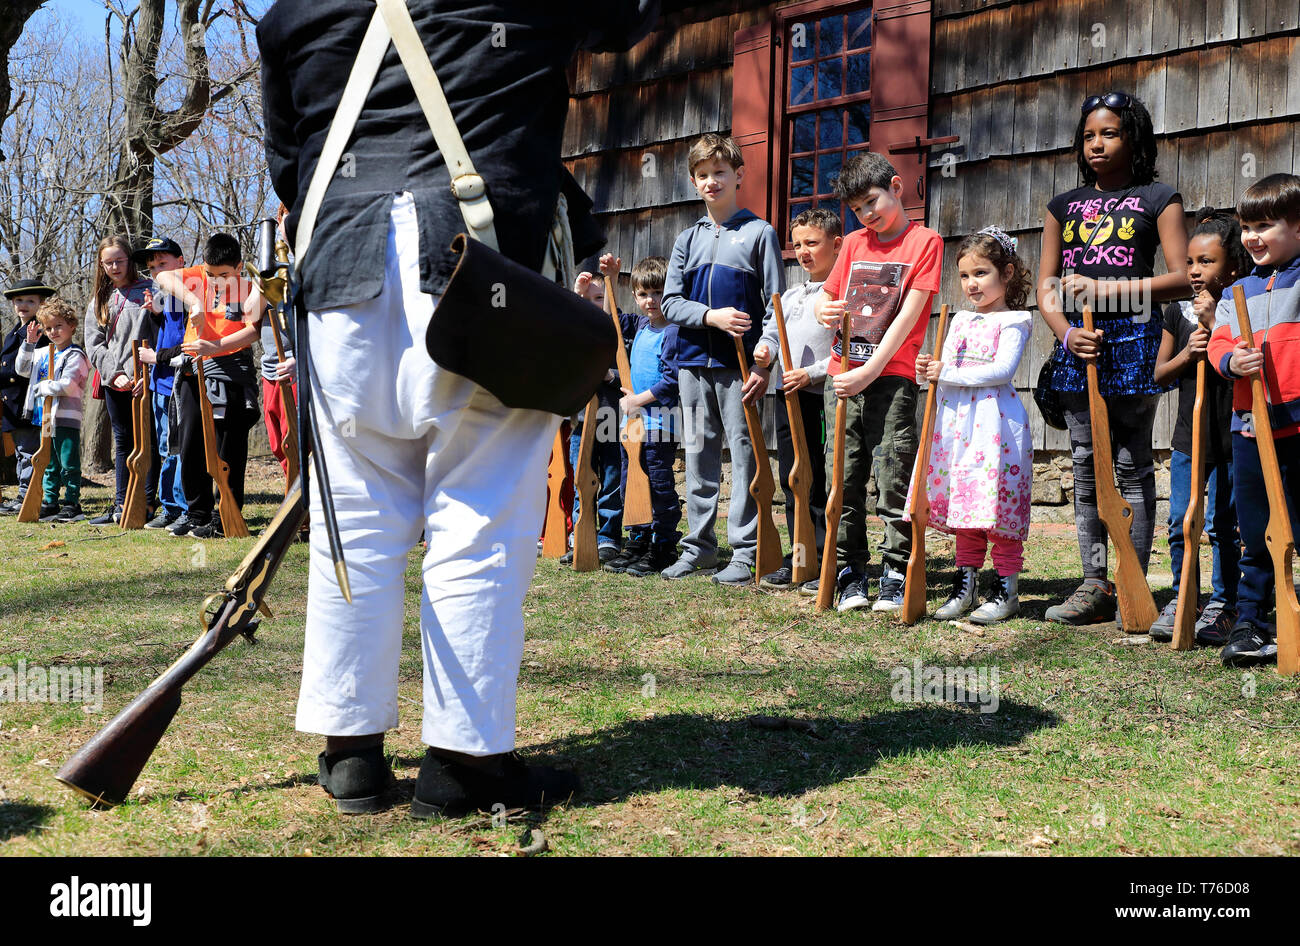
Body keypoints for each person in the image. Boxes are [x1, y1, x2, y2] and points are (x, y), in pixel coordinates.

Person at [258, 0, 657, 816]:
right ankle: (465, 764)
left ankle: (352, 753)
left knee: (356, 527)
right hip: (481, 276)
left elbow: (288, 166)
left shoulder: (291, 13)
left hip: (339, 277)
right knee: (478, 520)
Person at [1036, 92, 1189, 625]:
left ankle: (1133, 580)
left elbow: (1180, 279)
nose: (1097, 145)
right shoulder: (1064, 205)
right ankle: (1093, 583)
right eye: (1088, 136)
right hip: (1079, 345)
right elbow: (1047, 286)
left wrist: (1108, 296)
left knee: (1131, 464)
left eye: (1110, 134)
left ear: (1134, 139)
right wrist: (1064, 331)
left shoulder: (1159, 198)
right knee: (1084, 463)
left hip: (1134, 343)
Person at [811, 152, 944, 611]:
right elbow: (828, 296)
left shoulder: (925, 242)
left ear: (896, 187)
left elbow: (909, 317)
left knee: (892, 474)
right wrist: (821, 310)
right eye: (858, 209)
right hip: (841, 377)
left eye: (873, 202)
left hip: (891, 378)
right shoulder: (852, 244)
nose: (868, 215)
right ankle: (850, 571)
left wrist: (870, 371)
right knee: (842, 476)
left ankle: (895, 570)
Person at [660, 132, 785, 585]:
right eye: (702, 175)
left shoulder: (760, 233)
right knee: (697, 454)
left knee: (745, 457)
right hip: (693, 365)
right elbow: (670, 304)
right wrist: (711, 316)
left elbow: (776, 306)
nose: (711, 181)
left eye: (719, 173)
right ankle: (698, 549)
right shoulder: (686, 240)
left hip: (739, 370)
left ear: (738, 176)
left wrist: (763, 362)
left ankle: (746, 551)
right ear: (694, 182)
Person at [911, 227, 1033, 624]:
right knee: (967, 507)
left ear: (1007, 273)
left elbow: (1001, 370)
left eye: (981, 273)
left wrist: (947, 371)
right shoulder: (959, 319)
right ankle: (965, 585)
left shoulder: (1015, 320)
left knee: (994, 508)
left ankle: (1006, 590)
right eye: (964, 276)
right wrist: (928, 371)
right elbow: (943, 373)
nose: (971, 284)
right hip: (957, 426)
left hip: (994, 427)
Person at [1207, 173, 1300, 667]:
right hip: (1250, 427)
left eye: (1265, 225)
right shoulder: (1236, 291)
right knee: (1256, 526)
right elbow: (1221, 342)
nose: (1251, 237)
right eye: (1246, 227)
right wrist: (1232, 361)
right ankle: (1251, 621)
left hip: (1297, 427)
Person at [1148, 210, 1249, 644]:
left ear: (1231, 266)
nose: (1194, 271)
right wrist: (1190, 352)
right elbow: (1160, 376)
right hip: (1189, 436)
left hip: (1230, 436)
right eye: (1190, 262)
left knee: (1221, 523)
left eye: (1206, 262)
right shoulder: (1176, 312)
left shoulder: (1242, 302)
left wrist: (1214, 325)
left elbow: (1247, 361)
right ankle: (1183, 595)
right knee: (1179, 522)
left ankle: (1225, 603)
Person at [153, 233, 262, 540]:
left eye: (224, 276)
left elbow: (253, 331)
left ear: (238, 267)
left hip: (229, 369)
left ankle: (226, 513)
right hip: (192, 369)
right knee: (191, 443)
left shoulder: (248, 288)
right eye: (211, 275)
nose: (216, 282)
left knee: (228, 448)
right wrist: (194, 300)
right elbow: (163, 275)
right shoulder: (199, 279)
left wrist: (215, 346)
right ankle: (196, 512)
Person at [752, 208, 839, 591]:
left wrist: (812, 372)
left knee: (817, 477)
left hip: (820, 396)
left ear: (836, 245)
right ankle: (799, 554)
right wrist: (763, 351)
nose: (803, 251)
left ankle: (822, 556)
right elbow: (772, 334)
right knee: (793, 477)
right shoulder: (788, 294)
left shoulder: (839, 293)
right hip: (788, 396)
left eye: (812, 243)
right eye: (798, 244)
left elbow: (844, 349)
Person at [607, 255, 681, 577]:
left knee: (658, 484)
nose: (651, 301)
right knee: (631, 483)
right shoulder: (639, 326)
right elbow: (611, 317)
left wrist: (638, 400)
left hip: (659, 424)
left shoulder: (674, 332)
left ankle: (663, 544)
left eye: (658, 292)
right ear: (635, 295)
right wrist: (609, 278)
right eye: (643, 294)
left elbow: (671, 382)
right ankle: (637, 540)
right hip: (632, 426)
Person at [84, 235, 157, 525]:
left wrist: (146, 374)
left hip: (146, 378)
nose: (114, 266)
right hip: (116, 381)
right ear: (101, 266)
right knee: (123, 442)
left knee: (148, 441)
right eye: (108, 262)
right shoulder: (99, 301)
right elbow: (95, 343)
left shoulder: (152, 291)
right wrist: (115, 375)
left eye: (119, 260)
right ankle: (121, 504)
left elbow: (161, 335)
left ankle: (149, 503)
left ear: (130, 260)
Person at [564, 262, 624, 565]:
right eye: (588, 300)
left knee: (611, 477)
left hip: (612, 418)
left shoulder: (619, 329)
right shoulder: (576, 329)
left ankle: (609, 537)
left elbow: (628, 371)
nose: (593, 305)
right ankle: (580, 534)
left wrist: (610, 375)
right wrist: (577, 294)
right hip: (581, 421)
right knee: (581, 478)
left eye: (599, 298)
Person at [16, 295, 90, 522]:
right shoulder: (43, 352)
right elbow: (22, 369)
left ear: (72, 326)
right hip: (44, 417)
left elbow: (67, 385)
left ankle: (72, 502)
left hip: (65, 416)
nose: (53, 332)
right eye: (48, 328)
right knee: (48, 461)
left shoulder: (75, 355)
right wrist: (28, 343)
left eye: (59, 326)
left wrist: (45, 386)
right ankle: (50, 500)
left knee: (68, 461)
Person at [133, 236, 189, 530]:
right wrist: (155, 316)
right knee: (166, 448)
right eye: (152, 266)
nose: (156, 270)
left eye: (162, 263)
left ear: (181, 262)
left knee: (177, 448)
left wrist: (157, 358)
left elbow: (189, 344)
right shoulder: (164, 298)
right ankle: (168, 506)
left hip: (177, 384)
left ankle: (182, 508)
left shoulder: (188, 296)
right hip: (159, 384)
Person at [0, 278, 53, 514]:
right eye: (19, 300)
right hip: (11, 403)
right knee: (21, 452)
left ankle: (29, 495)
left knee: (29, 451)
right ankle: (24, 493)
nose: (23, 305)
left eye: (30, 301)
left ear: (40, 304)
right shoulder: (15, 331)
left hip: (28, 402)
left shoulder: (38, 331)